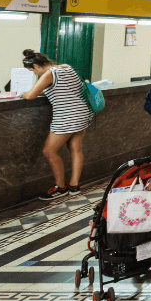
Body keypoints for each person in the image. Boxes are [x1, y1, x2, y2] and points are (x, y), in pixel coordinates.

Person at [19, 50, 90, 201]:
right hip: (82, 113)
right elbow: (65, 90)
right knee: (75, 149)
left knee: (49, 151)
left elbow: (30, 95)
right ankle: (74, 186)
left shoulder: (49, 74)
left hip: (67, 117)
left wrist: (22, 94)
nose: (35, 74)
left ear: (36, 66)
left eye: (32, 71)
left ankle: (60, 188)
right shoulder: (66, 67)